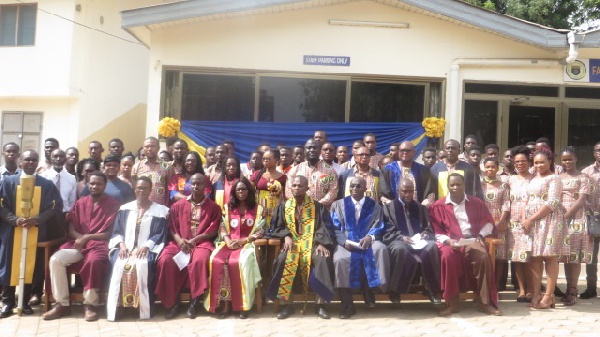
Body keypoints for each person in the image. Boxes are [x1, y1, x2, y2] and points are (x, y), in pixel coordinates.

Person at [42, 171, 120, 321]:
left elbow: (110, 233)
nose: (95, 186)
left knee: (93, 261)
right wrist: (81, 239)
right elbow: (71, 228)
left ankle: (90, 305)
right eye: (92, 183)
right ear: (88, 184)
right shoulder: (80, 203)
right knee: (56, 260)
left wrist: (88, 237)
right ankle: (62, 304)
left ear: (105, 185)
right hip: (77, 244)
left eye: (98, 183)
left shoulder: (113, 205)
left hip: (99, 245)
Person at [0, 150, 62, 318]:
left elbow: (54, 207)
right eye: (27, 159)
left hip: (36, 232)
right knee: (9, 267)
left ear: (37, 162)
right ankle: (7, 302)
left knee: (31, 267)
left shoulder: (46, 184)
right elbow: (1, 205)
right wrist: (14, 220)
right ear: (21, 161)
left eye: (34, 160)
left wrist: (37, 220)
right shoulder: (7, 182)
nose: (30, 162)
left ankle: (25, 302)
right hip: (12, 232)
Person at [429, 173, 501, 316]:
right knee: (447, 257)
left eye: (458, 184)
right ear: (447, 186)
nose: (455, 187)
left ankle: (484, 302)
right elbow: (435, 230)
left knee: (483, 257)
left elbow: (488, 223)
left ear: (464, 185)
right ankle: (452, 303)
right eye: (452, 185)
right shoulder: (438, 206)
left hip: (472, 239)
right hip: (450, 242)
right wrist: (448, 241)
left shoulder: (476, 203)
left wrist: (480, 236)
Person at [266, 176, 335, 320]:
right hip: (292, 245)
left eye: (300, 186)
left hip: (313, 244)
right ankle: (286, 305)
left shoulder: (317, 207)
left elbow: (326, 227)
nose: (297, 188)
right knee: (283, 259)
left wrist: (322, 243)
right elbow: (275, 227)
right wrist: (286, 236)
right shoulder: (283, 207)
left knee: (322, 258)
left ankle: (320, 305)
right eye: (294, 185)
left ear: (307, 188)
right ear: (290, 188)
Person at [154, 174, 221, 319]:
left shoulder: (213, 207)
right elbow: (171, 227)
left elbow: (214, 229)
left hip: (201, 243)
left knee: (199, 261)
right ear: (189, 185)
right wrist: (179, 240)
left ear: (206, 187)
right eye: (193, 184)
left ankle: (194, 302)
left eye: (200, 184)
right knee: (166, 260)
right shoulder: (178, 205)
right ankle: (173, 303)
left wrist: (196, 239)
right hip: (180, 243)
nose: (196, 187)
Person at [105, 176, 169, 321]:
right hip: (125, 248)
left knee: (142, 265)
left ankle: (142, 307)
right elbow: (116, 231)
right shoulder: (125, 209)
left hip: (147, 249)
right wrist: (121, 245)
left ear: (150, 189)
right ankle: (118, 307)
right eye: (139, 188)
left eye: (145, 188)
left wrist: (146, 247)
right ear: (135, 189)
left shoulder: (160, 211)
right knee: (120, 264)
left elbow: (159, 233)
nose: (141, 191)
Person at [204, 178, 266, 319]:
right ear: (234, 192)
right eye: (238, 189)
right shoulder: (228, 208)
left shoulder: (257, 209)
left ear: (249, 191)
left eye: (243, 189)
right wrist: (227, 239)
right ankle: (225, 305)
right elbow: (222, 226)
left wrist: (245, 240)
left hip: (247, 245)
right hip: (228, 243)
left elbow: (262, 229)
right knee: (217, 261)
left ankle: (243, 305)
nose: (241, 192)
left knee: (240, 263)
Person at [330, 177, 389, 319]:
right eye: (352, 186)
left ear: (365, 188)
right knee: (340, 259)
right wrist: (344, 242)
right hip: (346, 242)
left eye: (358, 186)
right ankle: (347, 304)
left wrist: (370, 237)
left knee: (380, 249)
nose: (354, 189)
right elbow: (334, 228)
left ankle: (371, 288)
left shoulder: (374, 206)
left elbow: (379, 226)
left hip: (367, 241)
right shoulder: (338, 205)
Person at [382, 178, 440, 304]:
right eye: (404, 191)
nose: (408, 194)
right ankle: (395, 290)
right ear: (398, 191)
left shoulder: (420, 208)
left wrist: (426, 234)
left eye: (410, 191)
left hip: (418, 241)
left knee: (432, 246)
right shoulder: (388, 208)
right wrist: (401, 237)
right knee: (399, 249)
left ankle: (431, 289)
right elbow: (387, 230)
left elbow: (428, 227)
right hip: (399, 240)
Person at [523, 146, 563, 310]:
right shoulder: (533, 178)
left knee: (549, 257)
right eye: (536, 162)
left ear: (550, 162)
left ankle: (548, 296)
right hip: (533, 223)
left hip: (549, 220)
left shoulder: (554, 179)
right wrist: (525, 218)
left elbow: (552, 203)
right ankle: (536, 293)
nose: (538, 165)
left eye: (542, 162)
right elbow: (527, 199)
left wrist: (531, 218)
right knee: (535, 257)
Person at [558, 148, 592, 306]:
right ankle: (567, 288)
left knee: (575, 256)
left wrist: (567, 215)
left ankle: (573, 289)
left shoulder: (583, 177)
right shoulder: (558, 178)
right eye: (564, 159)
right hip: (560, 218)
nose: (567, 162)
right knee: (566, 256)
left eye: (570, 159)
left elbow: (582, 199)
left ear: (576, 158)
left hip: (576, 219)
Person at [506, 146, 535, 302]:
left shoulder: (535, 178)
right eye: (517, 161)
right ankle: (522, 290)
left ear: (529, 161)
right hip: (514, 223)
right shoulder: (510, 179)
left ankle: (532, 289)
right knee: (517, 258)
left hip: (531, 222)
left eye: (523, 161)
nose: (520, 164)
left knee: (530, 258)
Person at [480, 158, 510, 289]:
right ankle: (484, 286)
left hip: (499, 224)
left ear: (498, 168)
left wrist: (501, 221)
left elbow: (506, 204)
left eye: (493, 167)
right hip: (482, 224)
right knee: (483, 255)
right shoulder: (479, 184)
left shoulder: (504, 185)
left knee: (499, 258)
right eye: (487, 167)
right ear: (484, 168)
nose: (490, 169)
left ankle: (496, 287)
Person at [285, 139, 338, 208]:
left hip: (321, 212)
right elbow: (288, 191)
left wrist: (317, 205)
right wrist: (302, 204)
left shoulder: (330, 170)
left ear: (320, 150)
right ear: (304, 151)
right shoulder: (295, 170)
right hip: (299, 211)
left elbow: (333, 192)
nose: (312, 150)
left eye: (314, 148)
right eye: (309, 148)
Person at [381, 141, 435, 205]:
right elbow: (383, 193)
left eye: (408, 151)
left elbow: (429, 192)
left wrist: (422, 207)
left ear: (414, 152)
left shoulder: (423, 170)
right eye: (402, 150)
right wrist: (393, 208)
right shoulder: (388, 169)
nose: (405, 153)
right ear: (398, 152)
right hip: (394, 211)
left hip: (418, 210)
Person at [132, 137, 174, 206]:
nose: (149, 149)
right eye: (147, 146)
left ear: (158, 148)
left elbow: (169, 189)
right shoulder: (136, 167)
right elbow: (134, 188)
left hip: (159, 208)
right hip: (141, 207)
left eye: (152, 146)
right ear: (143, 148)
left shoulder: (167, 167)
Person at [581, 142, 600, 299]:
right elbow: (581, 195)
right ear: (593, 153)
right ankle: (591, 287)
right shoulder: (586, 172)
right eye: (598, 150)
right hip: (593, 218)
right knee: (591, 256)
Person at [250, 150, 287, 229]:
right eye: (264, 159)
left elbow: (285, 195)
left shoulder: (283, 177)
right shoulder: (257, 174)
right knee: (260, 229)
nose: (265, 160)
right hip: (260, 207)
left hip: (276, 208)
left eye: (268, 158)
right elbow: (250, 191)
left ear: (276, 160)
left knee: (274, 229)